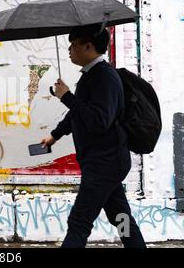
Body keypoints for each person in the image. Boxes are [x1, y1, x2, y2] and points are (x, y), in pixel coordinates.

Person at [40, 24, 146, 248]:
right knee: (121, 218)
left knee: (79, 222)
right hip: (105, 161)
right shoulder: (91, 76)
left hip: (104, 162)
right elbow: (78, 115)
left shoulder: (104, 77)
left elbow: (99, 121)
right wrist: (55, 135)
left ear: (88, 46)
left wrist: (66, 96)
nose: (70, 50)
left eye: (73, 45)